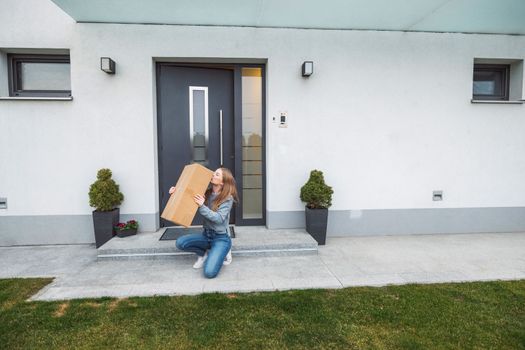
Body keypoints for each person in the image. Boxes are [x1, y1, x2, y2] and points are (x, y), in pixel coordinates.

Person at [169, 167, 238, 278]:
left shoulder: (227, 198)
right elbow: (188, 199)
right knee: (180, 243)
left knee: (209, 273)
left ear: (222, 182)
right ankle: (203, 254)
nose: (212, 175)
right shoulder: (207, 193)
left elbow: (219, 219)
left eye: (216, 174)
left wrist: (202, 206)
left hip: (221, 238)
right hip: (206, 235)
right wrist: (175, 193)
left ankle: (223, 251)